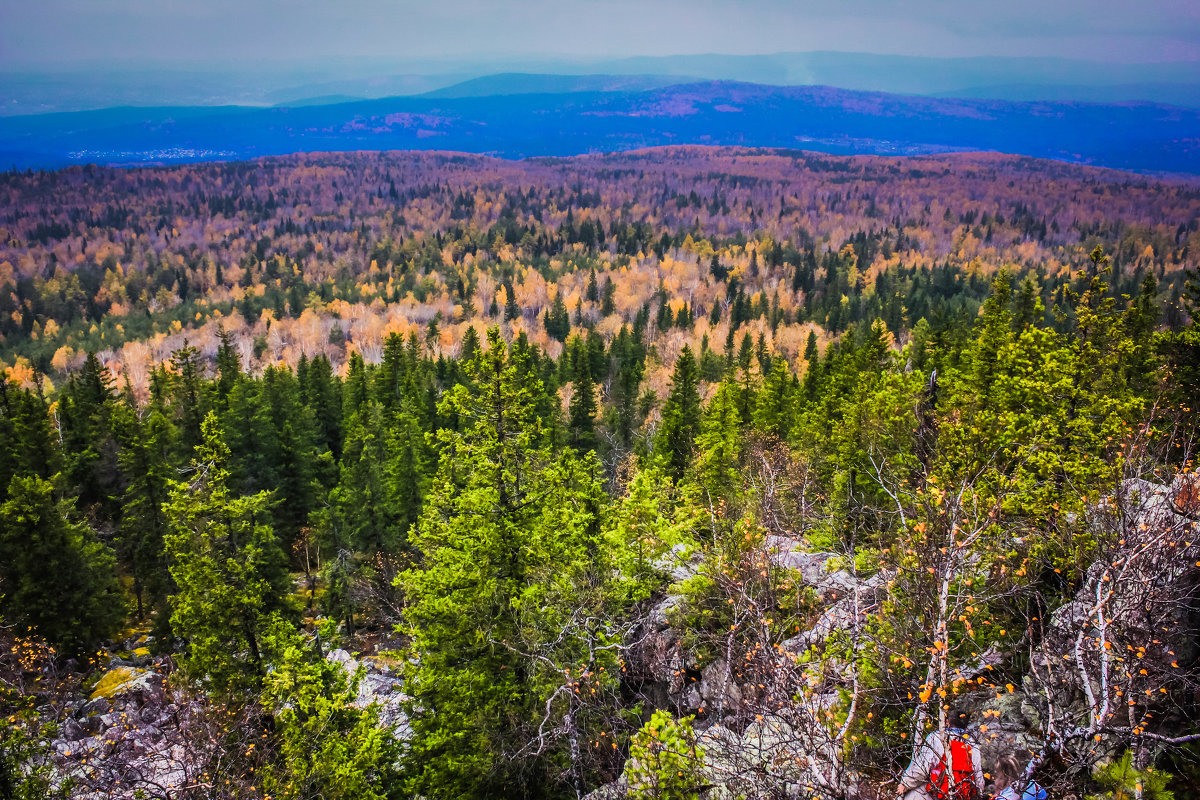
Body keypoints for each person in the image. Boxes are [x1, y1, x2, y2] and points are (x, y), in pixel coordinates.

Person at [897, 728, 985, 800]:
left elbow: (922, 768)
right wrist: (979, 795)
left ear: (947, 722)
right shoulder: (971, 744)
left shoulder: (937, 737)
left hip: (930, 795)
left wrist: (905, 784)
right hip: (958, 794)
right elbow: (978, 777)